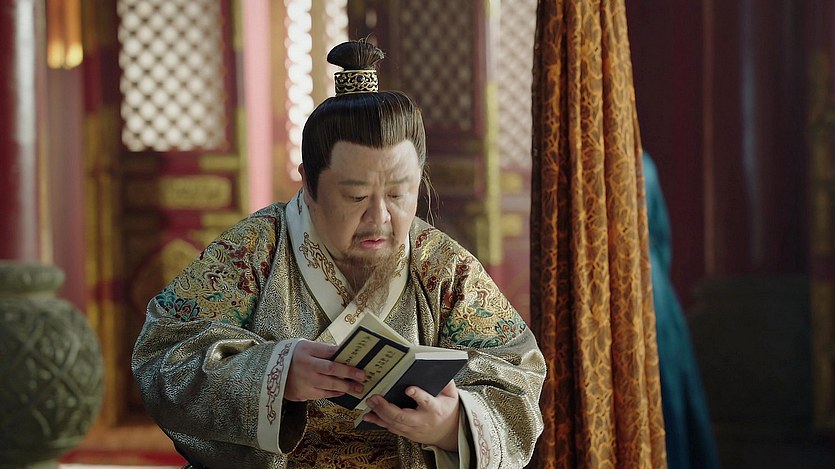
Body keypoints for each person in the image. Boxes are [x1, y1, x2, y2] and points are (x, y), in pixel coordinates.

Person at [132, 39, 545, 469]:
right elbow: (164, 356)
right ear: (308, 184)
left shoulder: (443, 268)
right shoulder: (252, 253)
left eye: (399, 194)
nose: (380, 217)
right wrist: (274, 375)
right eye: (356, 196)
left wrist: (451, 425)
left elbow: (515, 374)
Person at [644, 152, 721, 469]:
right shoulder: (643, 162)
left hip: (642, 294)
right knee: (670, 396)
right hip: (656, 292)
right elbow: (662, 238)